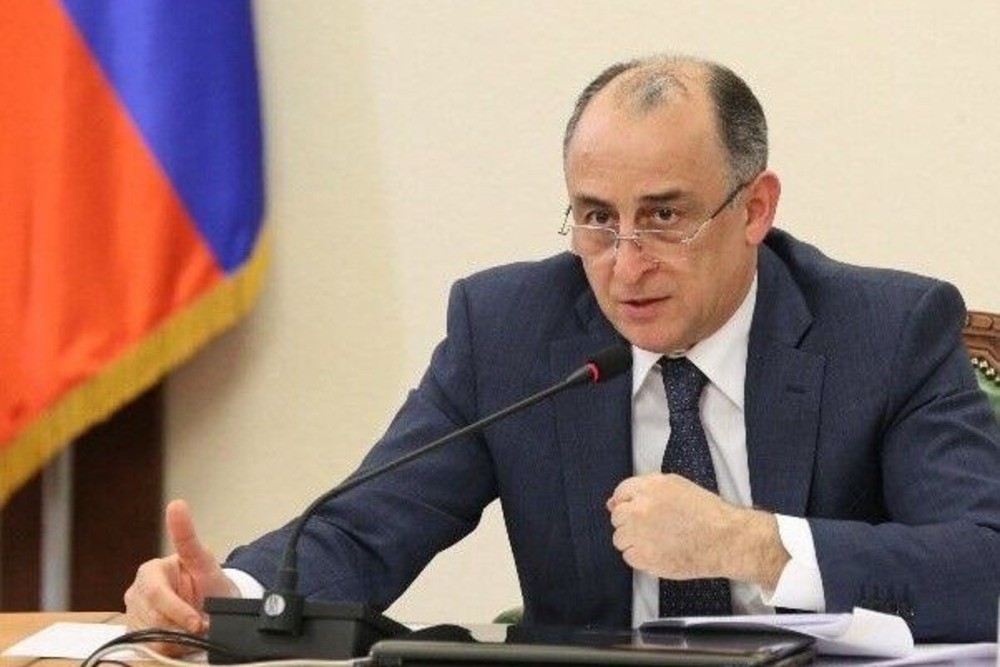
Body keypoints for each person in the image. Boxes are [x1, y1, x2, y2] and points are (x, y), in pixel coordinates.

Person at [124, 54, 1000, 643]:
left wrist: (755, 545)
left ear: (755, 209)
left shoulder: (887, 330)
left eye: (664, 216)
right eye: (596, 218)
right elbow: (367, 527)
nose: (625, 264)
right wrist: (232, 598)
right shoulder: (511, 329)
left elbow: (983, 563)